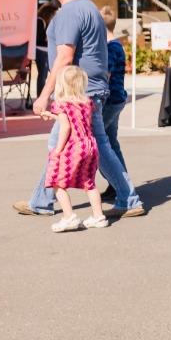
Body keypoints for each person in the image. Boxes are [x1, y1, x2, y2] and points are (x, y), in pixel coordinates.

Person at [13, 0, 144, 219]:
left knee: (70, 145)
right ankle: (42, 200)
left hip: (77, 92)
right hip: (91, 89)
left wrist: (44, 95)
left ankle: (128, 199)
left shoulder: (70, 13)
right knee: (94, 144)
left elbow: (64, 56)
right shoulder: (90, 8)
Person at [42, 66, 109, 234]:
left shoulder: (61, 104)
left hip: (72, 147)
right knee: (89, 183)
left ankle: (69, 216)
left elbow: (65, 127)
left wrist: (58, 149)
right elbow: (75, 119)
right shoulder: (87, 102)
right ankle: (98, 216)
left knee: (57, 182)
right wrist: (53, 116)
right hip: (90, 146)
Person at [99, 5, 129, 201]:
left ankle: (120, 183)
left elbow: (106, 76)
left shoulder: (109, 48)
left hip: (109, 101)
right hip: (118, 98)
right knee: (111, 141)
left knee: (100, 142)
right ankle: (118, 182)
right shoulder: (117, 45)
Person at [34, 2, 55, 98]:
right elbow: (38, 39)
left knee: (46, 75)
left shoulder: (45, 22)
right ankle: (40, 96)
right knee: (42, 75)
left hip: (45, 50)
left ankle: (44, 95)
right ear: (48, 13)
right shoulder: (39, 21)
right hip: (40, 50)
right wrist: (48, 38)